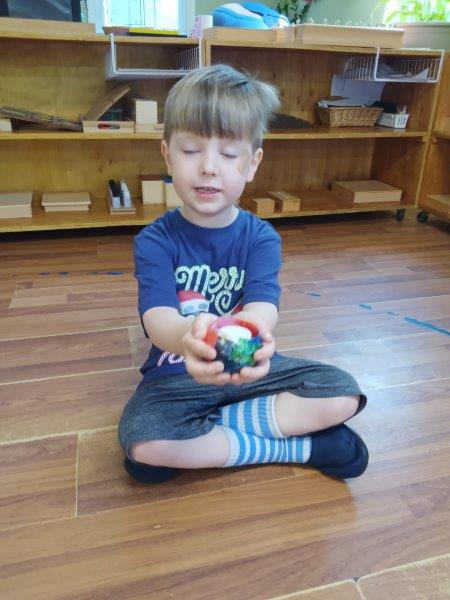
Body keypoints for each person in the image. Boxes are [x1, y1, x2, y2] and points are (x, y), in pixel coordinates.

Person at [118, 64, 368, 483]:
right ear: (166, 155)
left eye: (229, 154)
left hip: (252, 372)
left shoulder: (261, 237)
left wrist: (254, 332)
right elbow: (158, 319)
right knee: (142, 443)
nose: (208, 167)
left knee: (342, 393)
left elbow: (262, 305)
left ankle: (209, 436)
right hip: (178, 375)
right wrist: (190, 337)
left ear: (252, 163)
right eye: (191, 150)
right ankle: (302, 447)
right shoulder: (155, 241)